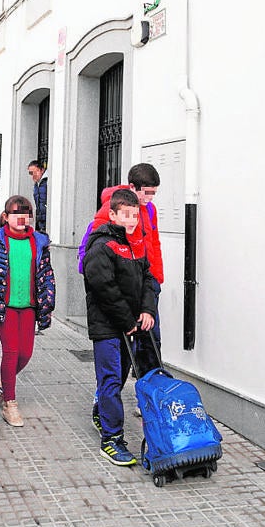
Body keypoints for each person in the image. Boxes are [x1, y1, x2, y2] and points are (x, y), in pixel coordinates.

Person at [82, 188, 156, 466]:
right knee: (111, 379)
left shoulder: (135, 245)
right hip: (108, 328)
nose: (132, 220)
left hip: (130, 326)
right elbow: (104, 288)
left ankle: (102, 413)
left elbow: (148, 278)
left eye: (135, 215)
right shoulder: (101, 245)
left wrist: (147, 310)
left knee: (121, 376)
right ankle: (111, 439)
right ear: (112, 214)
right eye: (126, 215)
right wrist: (127, 321)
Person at [0, 195, 56, 427]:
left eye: (26, 214)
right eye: (16, 213)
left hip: (30, 305)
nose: (22, 218)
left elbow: (47, 272)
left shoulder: (39, 241)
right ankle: (10, 402)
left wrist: (48, 299)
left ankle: (0, 385)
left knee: (25, 353)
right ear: (5, 216)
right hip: (5, 305)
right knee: (11, 351)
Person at [78, 163, 162, 374]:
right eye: (147, 193)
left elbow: (154, 243)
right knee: (121, 354)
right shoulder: (113, 208)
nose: (150, 198)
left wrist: (156, 277)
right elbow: (94, 246)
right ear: (133, 187)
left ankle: (148, 397)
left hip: (146, 282)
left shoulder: (150, 210)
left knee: (151, 343)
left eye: (154, 193)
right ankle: (103, 396)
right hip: (122, 284)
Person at [27, 160, 47, 233]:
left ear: (42, 170)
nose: (33, 175)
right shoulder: (36, 184)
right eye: (31, 173)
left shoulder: (47, 181)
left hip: (48, 220)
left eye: (35, 172)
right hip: (40, 222)